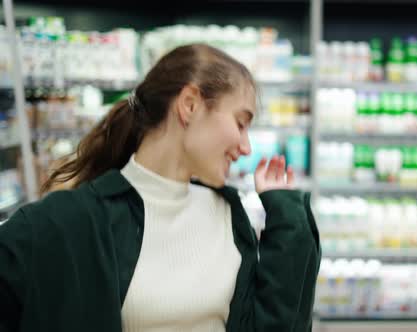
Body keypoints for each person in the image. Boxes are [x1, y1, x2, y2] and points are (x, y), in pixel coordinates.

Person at [0, 44, 320, 332]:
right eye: (240, 122)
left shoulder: (229, 215)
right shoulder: (72, 220)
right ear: (190, 105)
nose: (247, 147)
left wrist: (287, 216)